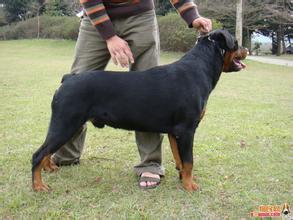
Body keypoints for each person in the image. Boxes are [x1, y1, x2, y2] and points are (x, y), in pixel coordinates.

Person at [51, 0, 212, 189]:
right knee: (76, 85)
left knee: (152, 95)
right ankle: (66, 154)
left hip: (141, 17)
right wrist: (110, 37)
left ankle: (150, 163)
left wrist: (192, 16)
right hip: (94, 18)